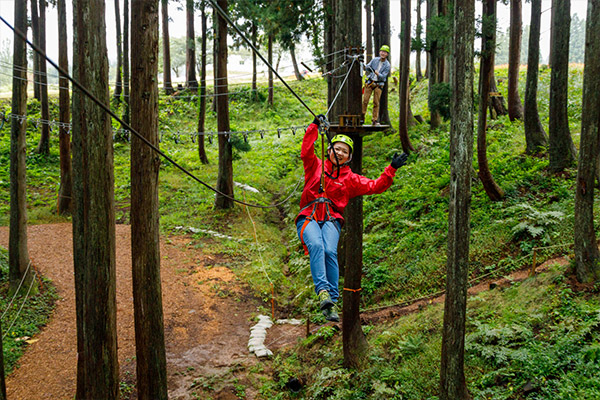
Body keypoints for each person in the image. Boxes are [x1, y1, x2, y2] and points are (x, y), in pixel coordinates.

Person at [295, 114, 408, 322]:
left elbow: (375, 186)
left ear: (348, 157)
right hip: (309, 216)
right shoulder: (315, 166)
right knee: (317, 246)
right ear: (329, 150)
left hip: (331, 218)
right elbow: (305, 150)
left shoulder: (351, 179)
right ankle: (323, 292)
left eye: (344, 151)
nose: (339, 152)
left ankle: (332, 300)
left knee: (330, 250)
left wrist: (391, 169)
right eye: (336, 148)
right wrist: (313, 127)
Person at [361, 45, 391, 126]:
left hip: (379, 84)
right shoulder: (375, 60)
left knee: (376, 102)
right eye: (382, 52)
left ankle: (374, 119)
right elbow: (368, 67)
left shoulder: (387, 65)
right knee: (365, 100)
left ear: (387, 54)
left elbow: (384, 76)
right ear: (379, 52)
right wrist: (365, 66)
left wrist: (378, 74)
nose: (383, 53)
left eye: (385, 52)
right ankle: (362, 116)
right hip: (370, 82)